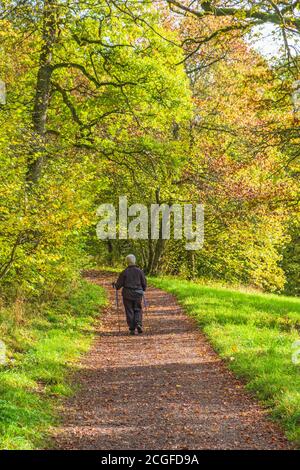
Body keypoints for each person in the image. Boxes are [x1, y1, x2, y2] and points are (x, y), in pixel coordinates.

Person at [113, 254, 147, 335]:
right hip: (138, 293)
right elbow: (144, 283)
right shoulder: (140, 271)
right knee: (138, 309)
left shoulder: (124, 272)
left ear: (127, 262)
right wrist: (143, 289)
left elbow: (118, 286)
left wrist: (115, 284)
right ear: (134, 261)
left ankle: (132, 328)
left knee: (129, 310)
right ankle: (138, 324)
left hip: (127, 294)